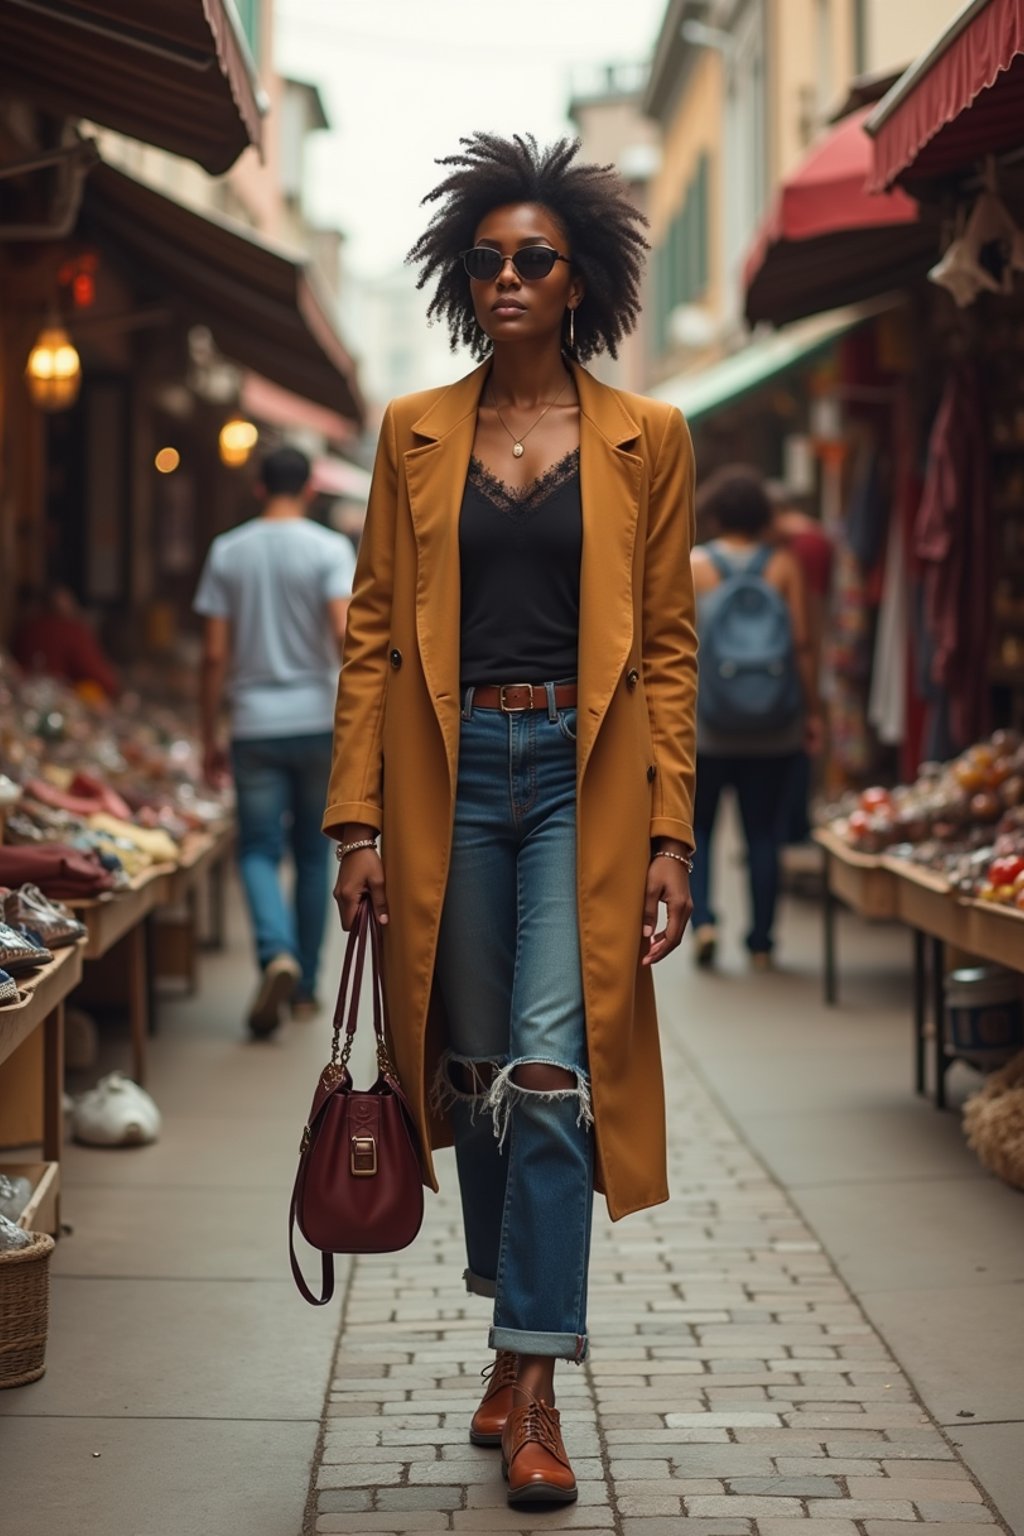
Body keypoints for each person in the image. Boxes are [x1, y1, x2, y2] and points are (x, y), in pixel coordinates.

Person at [324, 133, 698, 1508]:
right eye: (485, 260)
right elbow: (372, 633)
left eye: (534, 258)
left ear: (581, 274)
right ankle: (509, 1313)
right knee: (471, 1072)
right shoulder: (414, 431)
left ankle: (534, 1377)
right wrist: (354, 824)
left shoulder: (648, 440)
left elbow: (665, 645)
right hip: (450, 773)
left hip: (580, 781)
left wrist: (673, 834)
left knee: (552, 1074)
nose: (507, 280)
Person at [194, 445, 355, 1037]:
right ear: (310, 488)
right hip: (318, 719)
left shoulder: (228, 551)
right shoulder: (329, 548)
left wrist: (211, 731)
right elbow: (344, 635)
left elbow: (214, 654)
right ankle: (307, 988)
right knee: (314, 854)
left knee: (259, 849)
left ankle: (275, 951)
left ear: (258, 487)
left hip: (254, 724)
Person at [689, 467, 821, 970]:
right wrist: (812, 712)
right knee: (763, 833)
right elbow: (803, 646)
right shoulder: (784, 565)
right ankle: (762, 943)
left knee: (699, 831)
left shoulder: (696, 564)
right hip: (774, 725)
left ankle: (705, 924)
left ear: (716, 513)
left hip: (709, 725)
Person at [12, 584, 119, 701]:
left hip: (24, 698)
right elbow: (99, 675)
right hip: (60, 702)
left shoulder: (25, 629)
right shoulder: (71, 631)